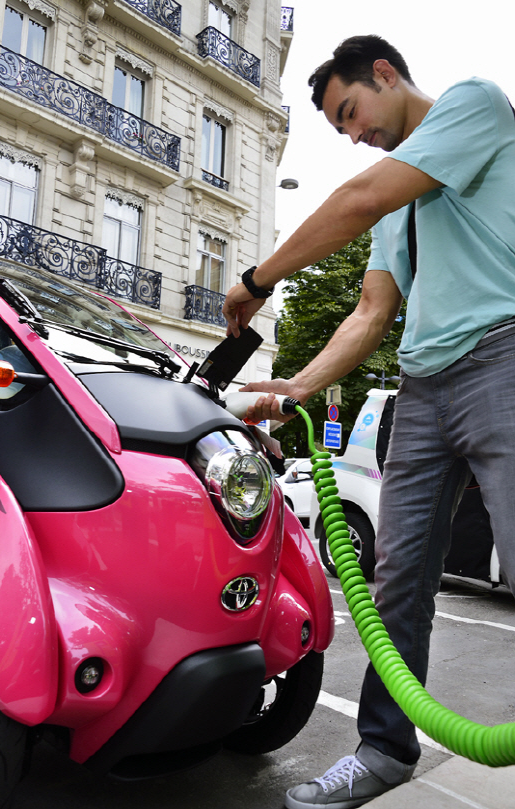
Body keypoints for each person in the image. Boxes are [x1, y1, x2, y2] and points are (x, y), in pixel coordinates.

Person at [222, 35, 515, 809]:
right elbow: (370, 312)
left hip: (502, 361)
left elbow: (356, 200)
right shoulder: (397, 203)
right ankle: (383, 750)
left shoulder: (473, 106)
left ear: (385, 73)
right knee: (398, 583)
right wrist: (296, 388)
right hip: (422, 389)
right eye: (341, 129)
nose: (353, 133)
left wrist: (259, 277)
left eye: (351, 112)